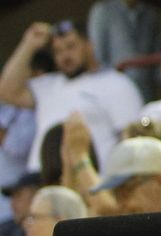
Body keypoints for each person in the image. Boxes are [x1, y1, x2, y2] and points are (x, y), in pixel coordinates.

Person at [0, 22, 143, 174]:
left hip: (90, 181)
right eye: (58, 51)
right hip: (42, 181)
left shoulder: (117, 83)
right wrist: (29, 45)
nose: (65, 56)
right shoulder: (48, 85)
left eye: (71, 47)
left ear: (89, 45)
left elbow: (131, 139)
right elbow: (7, 91)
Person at [87, 0, 161, 101]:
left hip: (145, 94)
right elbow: (97, 55)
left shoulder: (150, 14)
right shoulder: (103, 11)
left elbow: (156, 56)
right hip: (113, 95)